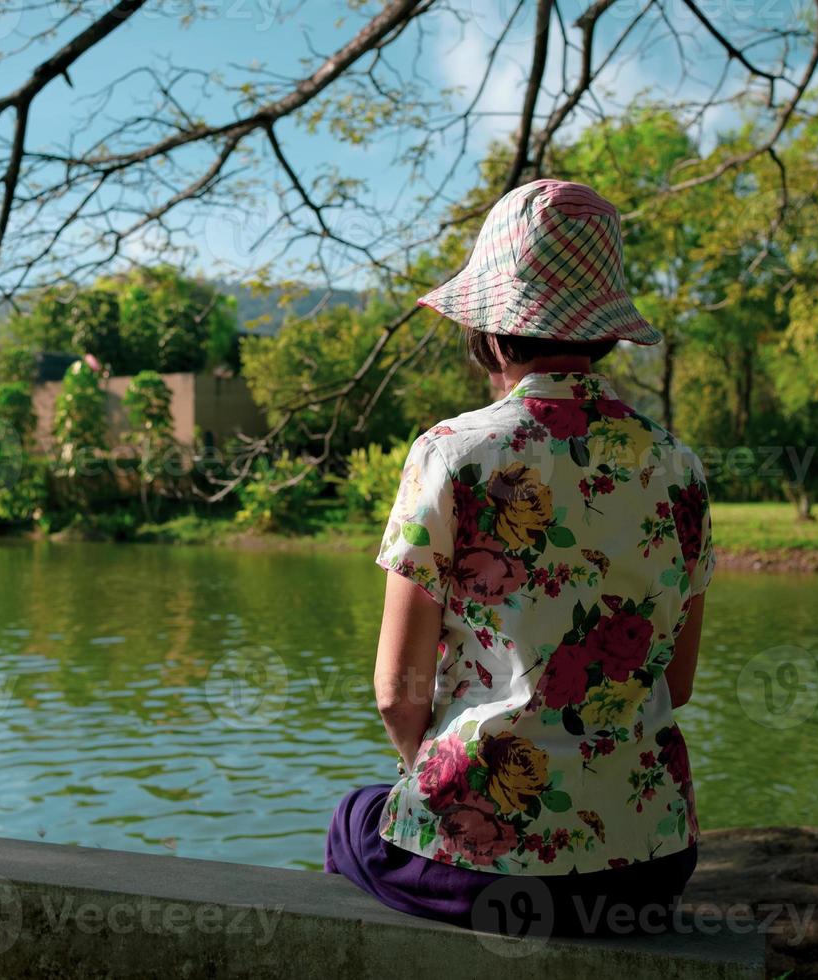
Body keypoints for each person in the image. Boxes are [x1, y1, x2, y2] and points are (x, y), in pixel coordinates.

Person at [324, 179, 715, 940]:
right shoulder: (679, 467)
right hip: (648, 860)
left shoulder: (452, 453)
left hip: (481, 864)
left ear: (493, 335)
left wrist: (427, 776)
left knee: (352, 818)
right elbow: (678, 680)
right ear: (604, 333)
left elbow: (396, 692)